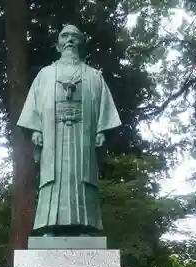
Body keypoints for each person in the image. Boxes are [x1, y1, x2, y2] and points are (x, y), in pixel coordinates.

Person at [17, 24, 121, 236]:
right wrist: (36, 130)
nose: (70, 40)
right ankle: (50, 226)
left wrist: (101, 131)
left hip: (83, 136)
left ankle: (87, 225)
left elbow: (104, 107)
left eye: (75, 36)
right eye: (65, 35)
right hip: (53, 136)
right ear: (58, 45)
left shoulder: (94, 76)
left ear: (82, 44)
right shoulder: (44, 75)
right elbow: (34, 107)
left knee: (84, 177)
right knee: (52, 179)